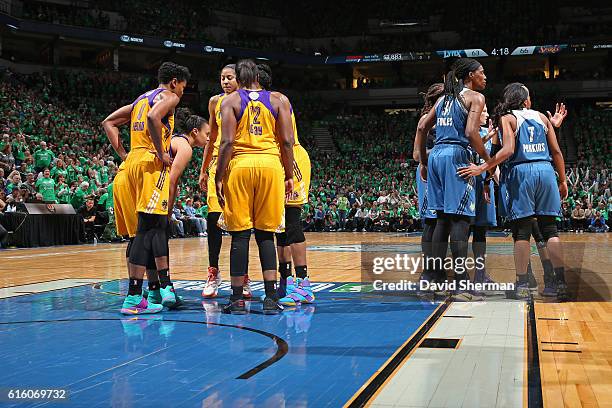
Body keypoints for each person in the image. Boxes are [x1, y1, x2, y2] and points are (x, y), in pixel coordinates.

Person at [458, 83, 568, 300]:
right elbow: (556, 151)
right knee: (550, 230)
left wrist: (483, 168)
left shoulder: (508, 118)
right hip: (546, 171)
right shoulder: (542, 118)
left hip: (521, 173)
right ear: (525, 100)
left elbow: (506, 150)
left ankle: (523, 284)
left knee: (522, 232)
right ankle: (560, 283)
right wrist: (562, 180)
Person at [102, 62, 191, 315]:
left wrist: (123, 154)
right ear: (174, 82)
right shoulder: (169, 96)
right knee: (148, 230)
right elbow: (154, 118)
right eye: (183, 87)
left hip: (131, 164)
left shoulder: (141, 99)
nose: (182, 93)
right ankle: (133, 297)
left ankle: (152, 290)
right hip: (150, 165)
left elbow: (108, 123)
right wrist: (162, 152)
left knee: (142, 232)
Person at [215, 59, 294, 315]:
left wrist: (218, 175)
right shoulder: (279, 100)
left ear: (238, 77)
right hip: (271, 166)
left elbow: (226, 142)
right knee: (266, 234)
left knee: (240, 235)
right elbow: (286, 142)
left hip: (240, 166)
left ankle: (237, 299)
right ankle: (271, 298)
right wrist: (289, 174)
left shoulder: (229, 101)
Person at [415, 58, 490, 301]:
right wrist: (487, 159)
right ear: (469, 76)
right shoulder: (475, 98)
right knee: (461, 221)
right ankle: (460, 283)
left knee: (442, 220)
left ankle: (435, 279)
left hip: (436, 155)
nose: (485, 77)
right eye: (481, 73)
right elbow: (470, 132)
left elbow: (422, 127)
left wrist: (424, 162)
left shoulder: (443, 99)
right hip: (456, 155)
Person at [255, 64, 314, 305]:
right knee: (278, 226)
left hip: (291, 161)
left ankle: (304, 284)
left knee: (291, 222)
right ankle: (285, 281)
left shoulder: (277, 99)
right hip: (274, 162)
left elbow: (286, 141)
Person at [198, 64, 242, 299]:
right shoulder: (215, 101)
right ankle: (213, 273)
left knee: (239, 223)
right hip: (217, 162)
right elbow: (211, 137)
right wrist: (204, 169)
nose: (225, 81)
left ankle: (241, 275)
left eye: (230, 78)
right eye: (222, 78)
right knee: (214, 219)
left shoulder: (245, 100)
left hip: (238, 163)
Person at [413, 82, 443, 286]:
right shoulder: (426, 120)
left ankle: (440, 268)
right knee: (431, 222)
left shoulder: (452, 119)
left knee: (444, 221)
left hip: (445, 171)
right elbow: (416, 155)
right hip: (427, 169)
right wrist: (440, 151)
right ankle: (428, 270)